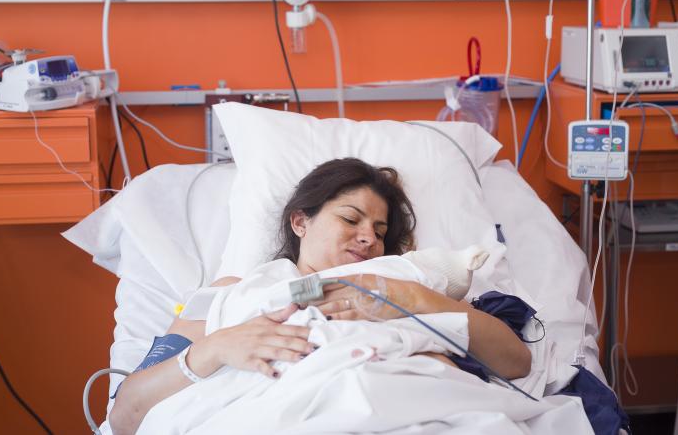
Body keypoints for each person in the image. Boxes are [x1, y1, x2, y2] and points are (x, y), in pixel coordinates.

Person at [109, 158, 531, 435]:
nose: (368, 237)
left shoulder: (405, 283)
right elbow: (126, 414)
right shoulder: (232, 294)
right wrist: (216, 348)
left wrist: (407, 297)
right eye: (351, 218)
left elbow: (516, 362)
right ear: (300, 222)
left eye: (381, 233)